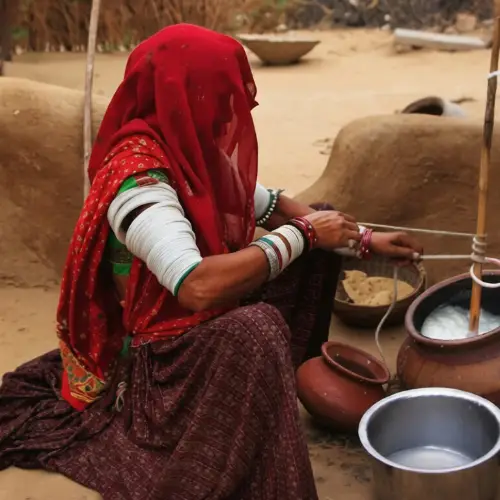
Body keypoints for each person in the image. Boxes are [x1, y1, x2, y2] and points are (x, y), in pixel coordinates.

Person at [0, 24, 422, 500]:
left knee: (313, 235)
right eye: (220, 96)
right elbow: (195, 285)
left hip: (192, 326)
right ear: (185, 95)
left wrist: (365, 240)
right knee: (257, 326)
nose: (228, 111)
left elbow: (270, 205)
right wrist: (303, 235)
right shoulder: (138, 180)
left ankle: (266, 401)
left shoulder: (186, 151)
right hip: (158, 362)